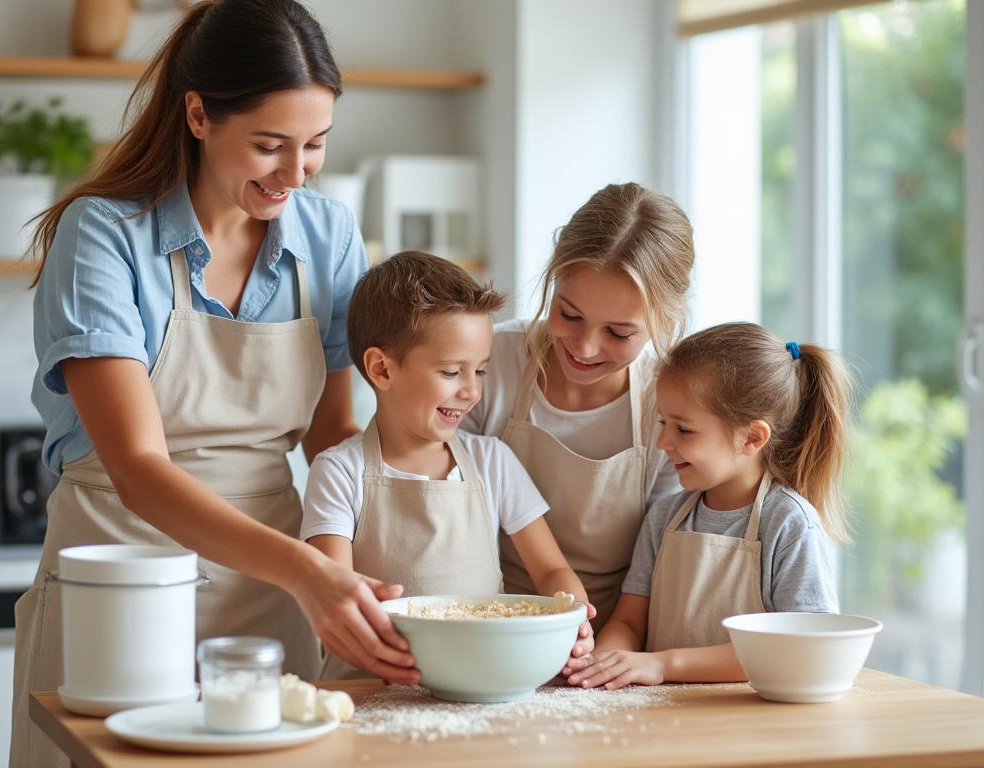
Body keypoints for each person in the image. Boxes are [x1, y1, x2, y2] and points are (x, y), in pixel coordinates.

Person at [12, 2, 417, 765]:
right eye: (270, 146)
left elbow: (334, 436)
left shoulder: (326, 235)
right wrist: (308, 569)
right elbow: (137, 469)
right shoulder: (103, 235)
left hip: (271, 604)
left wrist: (387, 568)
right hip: (120, 589)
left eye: (316, 146)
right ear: (198, 114)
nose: (295, 174)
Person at [302, 251, 594, 679]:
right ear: (382, 369)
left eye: (480, 371)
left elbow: (550, 569)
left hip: (481, 681)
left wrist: (574, 618)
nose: (472, 392)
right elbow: (336, 594)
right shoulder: (338, 473)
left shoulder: (493, 461)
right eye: (451, 372)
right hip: (370, 689)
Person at [460, 183, 695, 631]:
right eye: (569, 315)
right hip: (486, 621)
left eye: (619, 333)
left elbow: (659, 556)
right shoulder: (491, 362)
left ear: (664, 322)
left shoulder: (666, 401)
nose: (585, 349)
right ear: (552, 280)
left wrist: (606, 649)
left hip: (618, 636)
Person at [565, 322, 851, 689]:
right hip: (662, 717)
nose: (664, 441)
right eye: (663, 423)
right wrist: (602, 662)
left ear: (751, 437)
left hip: (746, 725)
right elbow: (629, 623)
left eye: (683, 429)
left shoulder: (789, 524)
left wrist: (664, 665)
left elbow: (799, 647)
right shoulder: (665, 518)